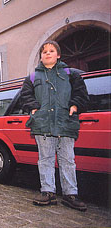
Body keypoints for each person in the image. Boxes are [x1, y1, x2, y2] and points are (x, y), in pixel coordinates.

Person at [20, 40, 89, 211]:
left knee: (68, 160)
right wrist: (34, 107)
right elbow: (25, 96)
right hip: (43, 124)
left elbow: (81, 94)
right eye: (44, 52)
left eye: (51, 51)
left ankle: (70, 194)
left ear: (58, 55)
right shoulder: (33, 77)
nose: (48, 54)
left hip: (65, 123)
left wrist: (75, 106)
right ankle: (47, 192)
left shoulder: (71, 74)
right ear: (41, 57)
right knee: (45, 159)